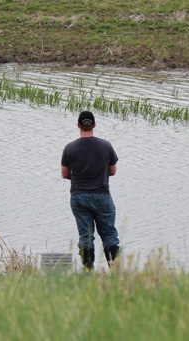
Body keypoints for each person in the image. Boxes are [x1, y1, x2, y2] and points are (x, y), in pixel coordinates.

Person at [61, 111, 120, 271]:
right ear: (94, 125)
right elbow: (113, 171)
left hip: (79, 197)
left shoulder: (69, 148)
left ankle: (88, 273)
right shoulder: (106, 145)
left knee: (86, 236)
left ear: (78, 125)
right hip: (102, 195)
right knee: (109, 235)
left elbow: (65, 174)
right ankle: (115, 272)